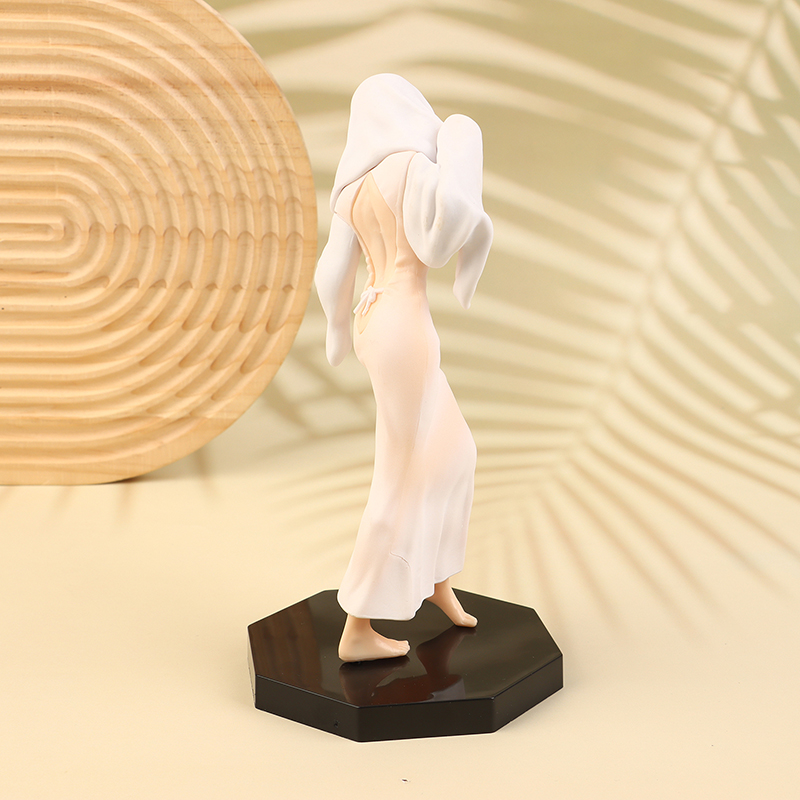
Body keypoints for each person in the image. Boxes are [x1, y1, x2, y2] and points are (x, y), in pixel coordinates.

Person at [315, 74, 493, 662]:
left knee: (456, 450)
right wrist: (462, 144)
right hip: (405, 324)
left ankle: (436, 579)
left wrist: (338, 329)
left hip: (375, 320)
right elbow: (439, 244)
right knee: (399, 471)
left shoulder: (350, 188)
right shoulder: (409, 167)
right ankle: (358, 625)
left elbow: (331, 269)